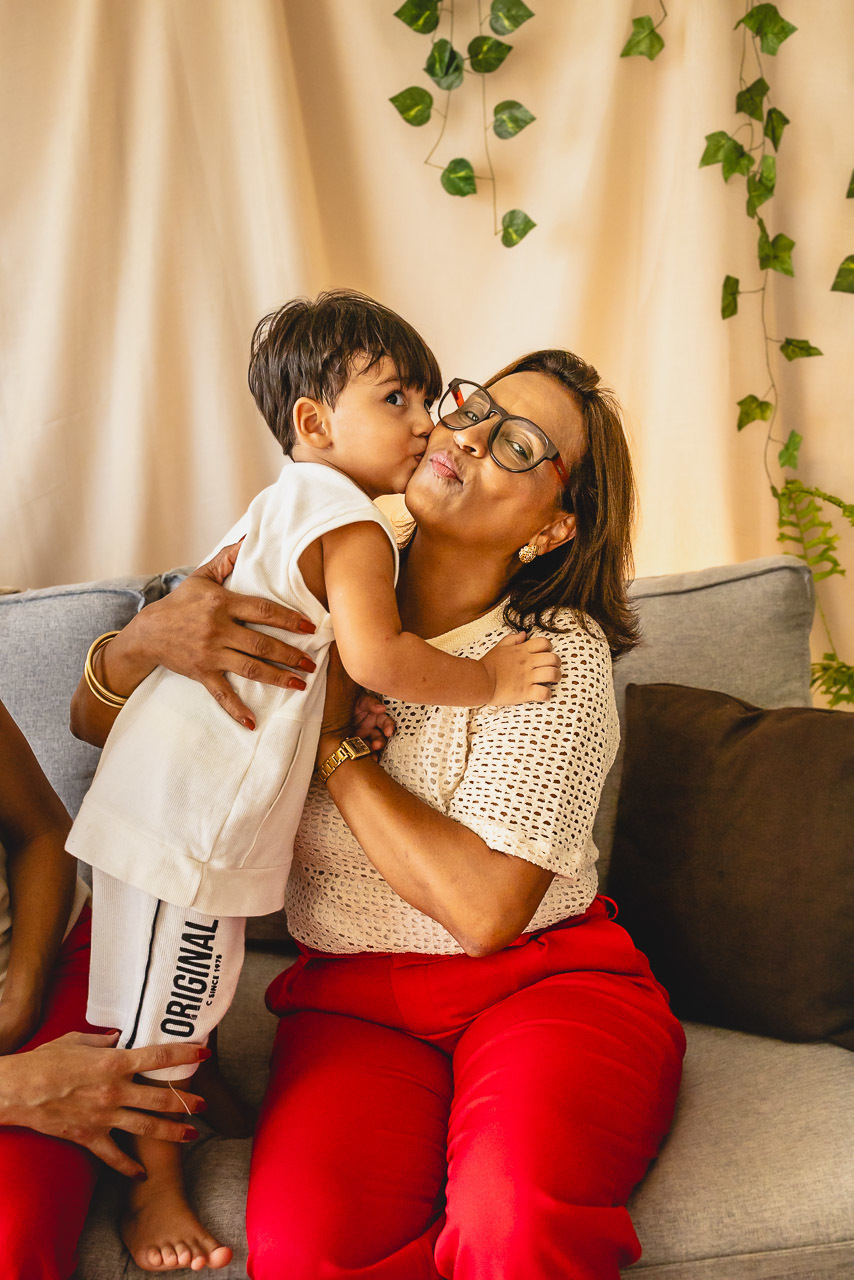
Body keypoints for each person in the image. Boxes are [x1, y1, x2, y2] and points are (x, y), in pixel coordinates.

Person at [71, 345, 687, 1279]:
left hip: (542, 987)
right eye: (472, 407)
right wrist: (141, 643)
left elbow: (485, 914)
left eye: (518, 444)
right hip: (355, 1006)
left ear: (555, 526)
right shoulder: (318, 554)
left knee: (510, 1227)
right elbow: (91, 724)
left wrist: (335, 742)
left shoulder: (551, 657)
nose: (470, 435)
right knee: (306, 1251)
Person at [0, 695, 210, 1280]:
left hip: (43, 964)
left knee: (10, 1240)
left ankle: (153, 1179)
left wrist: (20, 1003)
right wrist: (12, 1088)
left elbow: (40, 830)